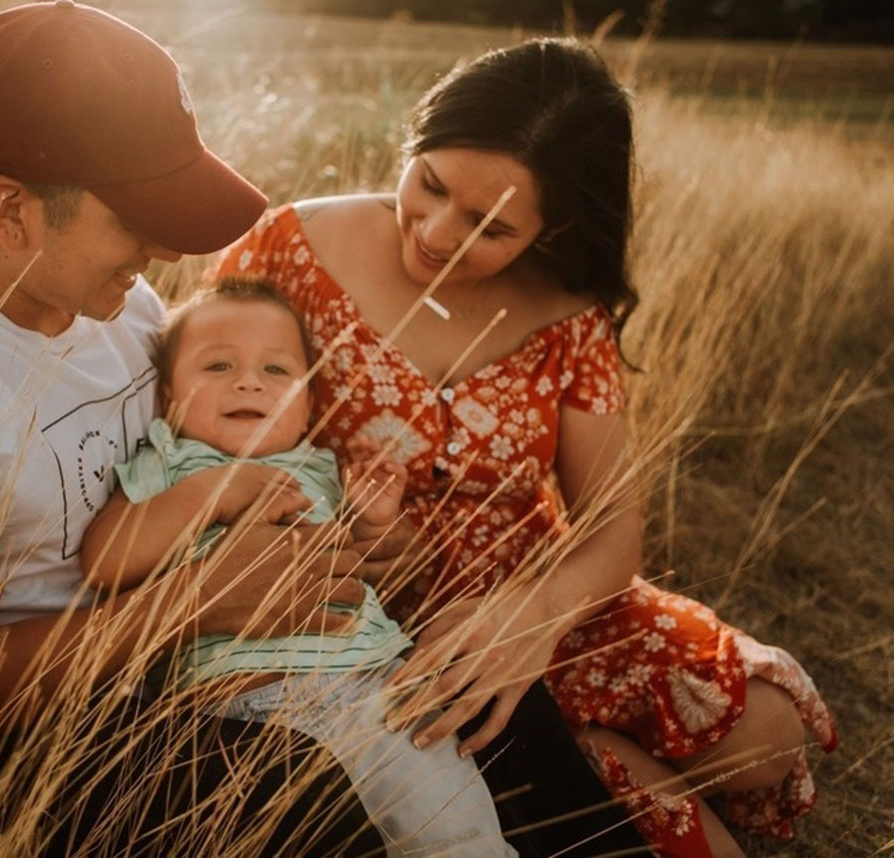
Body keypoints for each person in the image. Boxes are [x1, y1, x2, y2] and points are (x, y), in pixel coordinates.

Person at [0, 3, 388, 854]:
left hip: (201, 656)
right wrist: (193, 603)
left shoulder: (112, 296)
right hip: (26, 751)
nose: (163, 257)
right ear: (9, 210)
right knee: (320, 809)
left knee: (486, 731)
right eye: (135, 220)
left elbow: (189, 451)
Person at [211, 37, 838, 857]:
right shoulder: (288, 248)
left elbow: (613, 530)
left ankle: (568, 757)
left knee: (770, 733)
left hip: (532, 598)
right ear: (415, 140)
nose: (437, 233)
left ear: (557, 225)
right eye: (429, 183)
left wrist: (531, 617)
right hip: (355, 609)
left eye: (489, 226)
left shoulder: (567, 312)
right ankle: (576, 766)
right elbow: (197, 414)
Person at [82, 277, 516, 858]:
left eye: (277, 371)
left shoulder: (318, 467)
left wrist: (374, 518)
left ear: (309, 403)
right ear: (167, 398)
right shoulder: (168, 464)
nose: (248, 380)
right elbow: (105, 560)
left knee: (457, 838)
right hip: (243, 713)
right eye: (216, 366)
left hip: (375, 693)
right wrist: (211, 492)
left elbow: (364, 569)